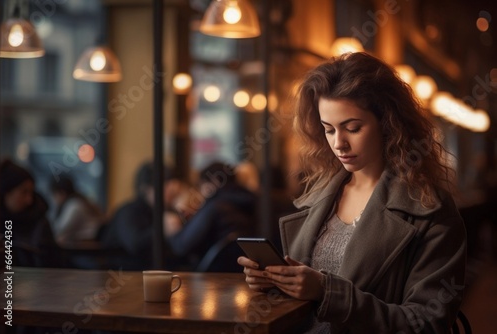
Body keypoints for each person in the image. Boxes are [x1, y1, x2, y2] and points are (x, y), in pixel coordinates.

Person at [238, 52, 467, 333]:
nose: (339, 143)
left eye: (353, 128)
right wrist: (275, 282)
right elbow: (302, 308)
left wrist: (327, 292)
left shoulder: (429, 209)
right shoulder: (320, 196)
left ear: (388, 123)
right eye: (328, 129)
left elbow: (426, 324)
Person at [165, 161, 257, 271]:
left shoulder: (215, 207)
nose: (200, 193)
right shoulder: (251, 202)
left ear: (214, 182)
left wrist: (174, 230)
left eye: (201, 186)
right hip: (243, 272)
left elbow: (181, 246)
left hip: (211, 276)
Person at [0, 159, 62, 268]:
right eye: (23, 192)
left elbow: (52, 263)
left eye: (31, 192)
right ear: (6, 192)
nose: (29, 200)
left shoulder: (38, 220)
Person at [49, 175, 105, 246]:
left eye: (54, 195)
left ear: (62, 193)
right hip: (91, 243)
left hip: (90, 245)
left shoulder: (75, 205)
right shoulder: (80, 201)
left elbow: (60, 229)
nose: (54, 199)